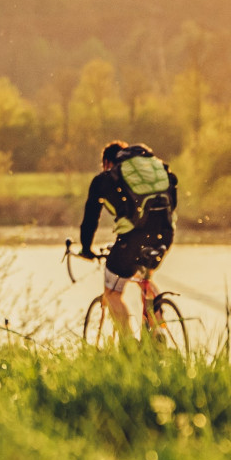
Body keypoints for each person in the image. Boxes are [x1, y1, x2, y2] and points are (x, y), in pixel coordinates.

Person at [76, 140, 179, 338]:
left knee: (112, 293)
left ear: (107, 162)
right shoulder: (155, 172)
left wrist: (86, 248)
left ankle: (128, 346)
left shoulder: (106, 179)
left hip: (133, 239)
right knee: (144, 277)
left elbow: (91, 218)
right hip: (164, 235)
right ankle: (157, 330)